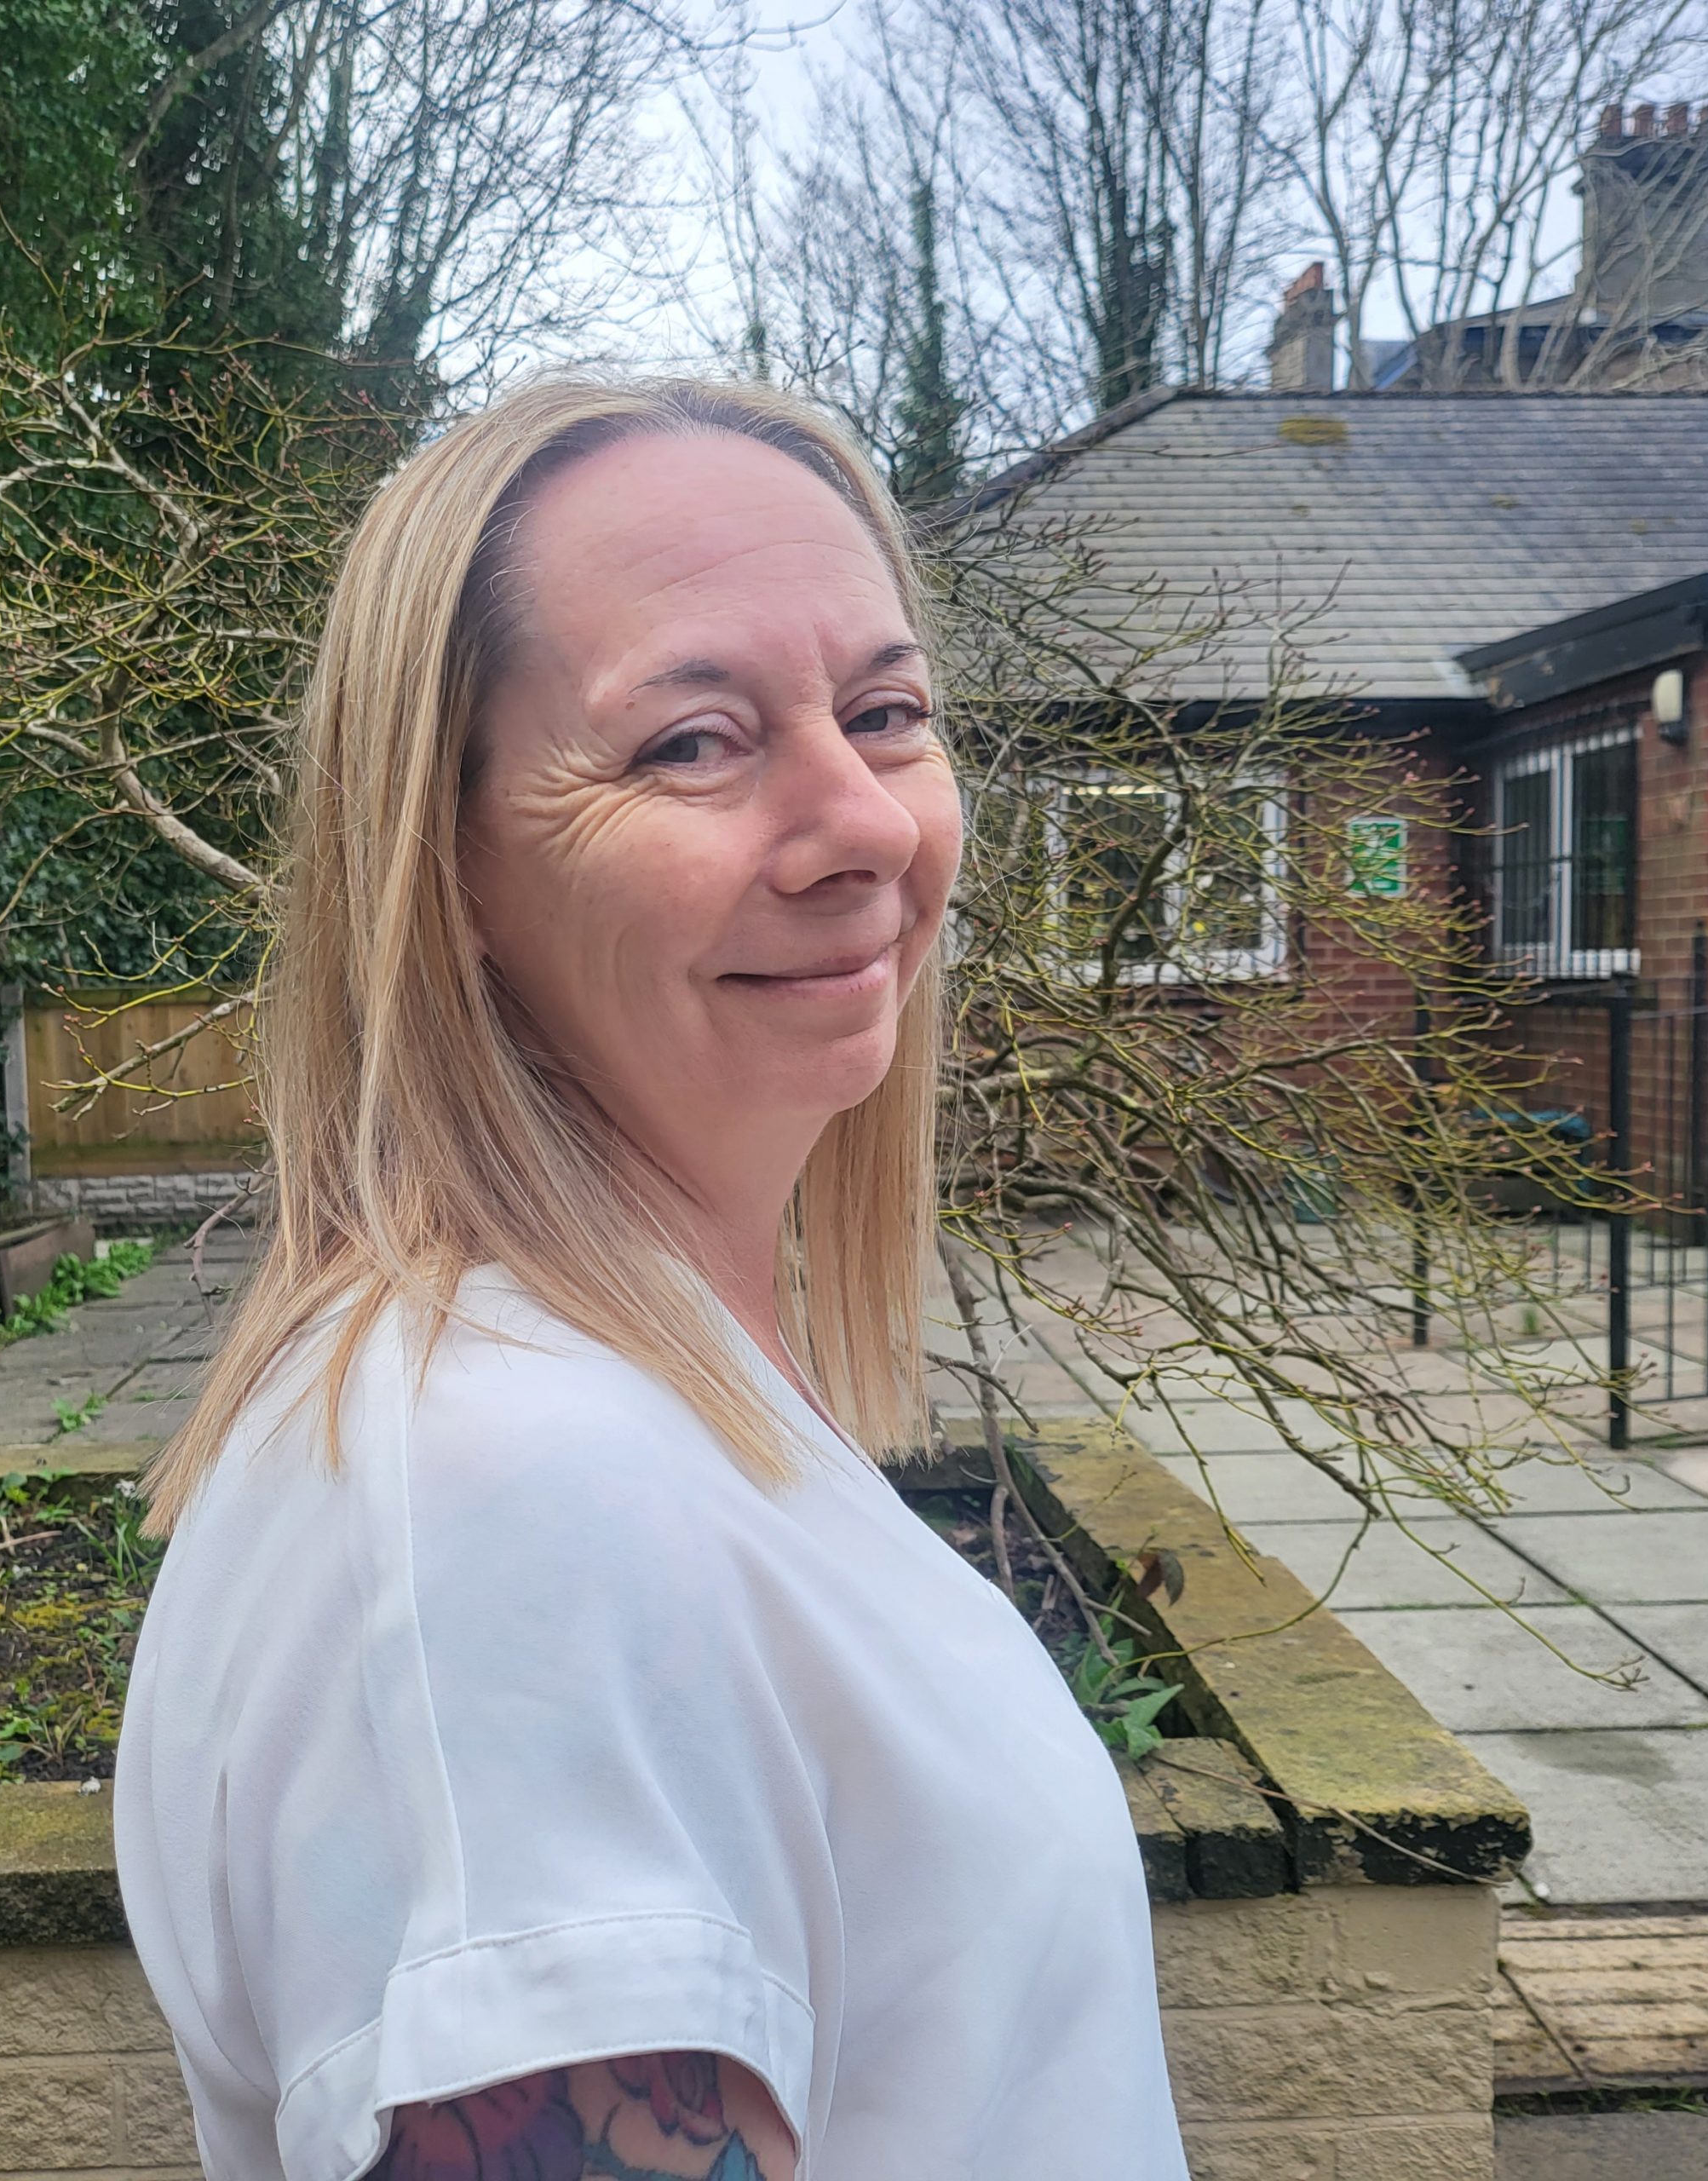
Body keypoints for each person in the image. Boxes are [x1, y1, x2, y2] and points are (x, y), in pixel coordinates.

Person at [113, 377, 1188, 2181]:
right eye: (692, 740)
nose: (861, 821)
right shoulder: (506, 1489)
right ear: (441, 858)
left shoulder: (638, 1398)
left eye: (886, 710)